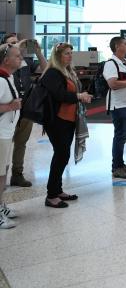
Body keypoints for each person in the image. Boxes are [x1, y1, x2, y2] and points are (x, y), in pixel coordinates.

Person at [41, 43, 93, 208]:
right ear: (57, 57)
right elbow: (60, 95)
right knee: (61, 155)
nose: (70, 56)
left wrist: (81, 96)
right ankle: (51, 195)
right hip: (57, 120)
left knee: (63, 155)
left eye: (71, 53)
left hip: (69, 119)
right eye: (66, 54)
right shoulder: (52, 73)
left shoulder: (68, 71)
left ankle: (57, 190)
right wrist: (79, 96)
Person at [1, 34, 47, 187]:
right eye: (12, 43)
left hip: (25, 109)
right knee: (4, 144)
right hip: (7, 112)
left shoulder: (26, 62)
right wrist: (18, 46)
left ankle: (17, 174)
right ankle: (2, 176)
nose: (18, 46)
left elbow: (45, 69)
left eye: (17, 42)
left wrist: (38, 52)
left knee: (21, 143)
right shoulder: (4, 63)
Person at [104, 36, 126, 179]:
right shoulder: (111, 64)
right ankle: (116, 167)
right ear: (117, 46)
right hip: (118, 105)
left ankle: (120, 163)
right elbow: (112, 84)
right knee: (120, 135)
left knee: (123, 136)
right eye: (125, 44)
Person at [0, 43, 23, 228]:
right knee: (0, 174)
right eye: (17, 56)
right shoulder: (0, 80)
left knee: (3, 172)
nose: (20, 58)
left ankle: (1, 206)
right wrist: (10, 107)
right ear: (6, 60)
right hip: (0, 133)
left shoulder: (9, 77)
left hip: (6, 133)